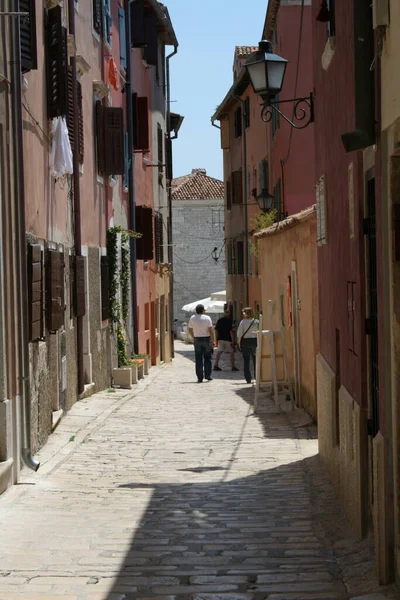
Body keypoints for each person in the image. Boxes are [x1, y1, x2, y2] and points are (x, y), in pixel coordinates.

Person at [188, 304, 216, 383]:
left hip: (197, 339)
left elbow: (190, 329)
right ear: (203, 310)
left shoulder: (192, 318)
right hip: (206, 339)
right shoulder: (207, 318)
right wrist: (213, 340)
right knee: (207, 358)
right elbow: (210, 330)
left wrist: (194, 337)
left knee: (198, 359)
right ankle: (208, 375)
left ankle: (200, 377)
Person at [237, 307, 259, 384]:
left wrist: (239, 343)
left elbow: (239, 334)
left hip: (245, 342)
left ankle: (248, 378)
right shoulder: (256, 321)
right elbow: (258, 332)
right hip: (254, 341)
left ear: (245, 313)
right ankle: (257, 378)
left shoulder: (242, 322)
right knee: (256, 361)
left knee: (246, 361)